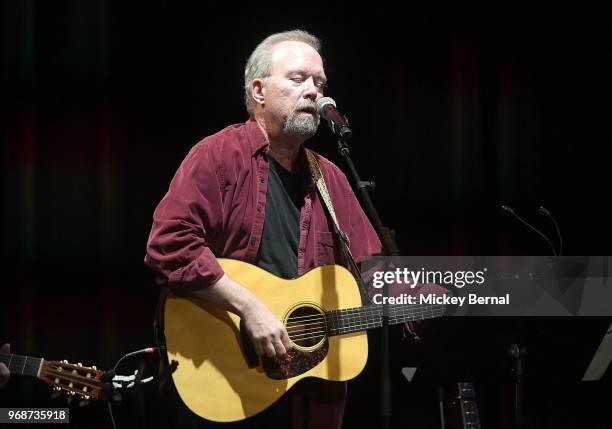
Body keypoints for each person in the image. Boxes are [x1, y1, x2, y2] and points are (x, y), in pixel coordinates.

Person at [145, 30, 382, 428]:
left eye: (320, 83)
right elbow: (170, 245)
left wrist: (472, 290)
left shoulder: (333, 180)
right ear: (258, 90)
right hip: (226, 382)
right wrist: (250, 307)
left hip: (310, 402)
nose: (314, 92)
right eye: (298, 78)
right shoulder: (218, 157)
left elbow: (377, 272)